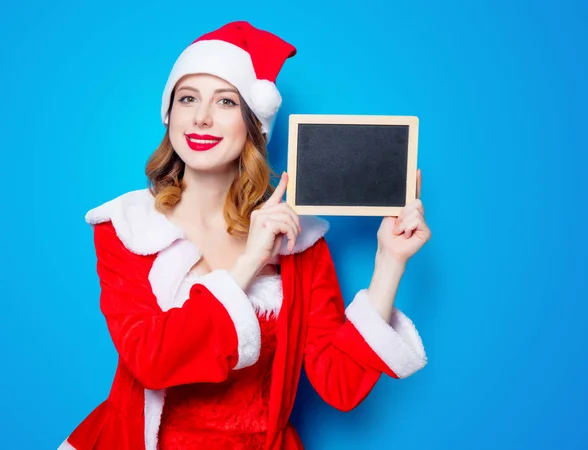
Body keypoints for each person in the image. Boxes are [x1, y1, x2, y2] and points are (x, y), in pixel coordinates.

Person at [58, 20, 432, 450]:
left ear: (254, 123)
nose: (201, 117)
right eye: (188, 99)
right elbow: (150, 362)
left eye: (225, 102)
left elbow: (340, 385)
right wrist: (247, 263)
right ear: (170, 114)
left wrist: (389, 262)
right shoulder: (129, 228)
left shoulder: (298, 239)